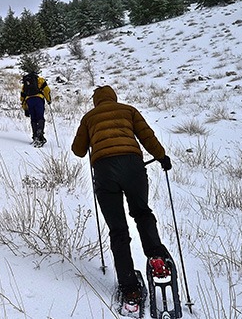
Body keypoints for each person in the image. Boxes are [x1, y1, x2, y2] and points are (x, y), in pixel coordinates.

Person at [71, 85, 173, 310]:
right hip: (133, 167)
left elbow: (78, 150)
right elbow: (147, 135)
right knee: (142, 212)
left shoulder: (89, 117)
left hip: (104, 170)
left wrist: (91, 138)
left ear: (96, 101)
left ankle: (130, 289)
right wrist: (161, 156)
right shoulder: (128, 110)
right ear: (114, 98)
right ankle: (157, 258)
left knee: (118, 229)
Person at [20, 71, 52, 146]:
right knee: (40, 117)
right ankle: (40, 133)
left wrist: (25, 108)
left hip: (29, 101)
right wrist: (48, 100)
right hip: (38, 99)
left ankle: (35, 136)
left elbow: (22, 97)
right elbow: (46, 90)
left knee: (33, 118)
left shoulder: (25, 84)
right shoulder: (40, 80)